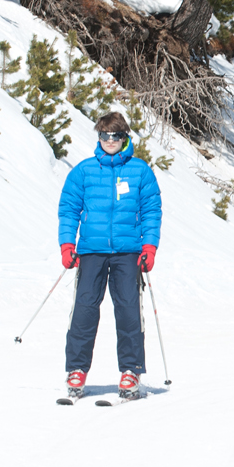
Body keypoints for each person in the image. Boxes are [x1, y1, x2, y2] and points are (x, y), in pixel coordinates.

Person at [57, 111, 162, 400]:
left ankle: (131, 371)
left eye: (115, 135)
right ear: (98, 137)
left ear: (125, 136)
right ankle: (76, 369)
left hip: (128, 253)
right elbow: (68, 210)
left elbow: (152, 212)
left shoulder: (140, 171)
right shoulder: (84, 171)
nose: (110, 141)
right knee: (84, 309)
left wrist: (149, 247)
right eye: (104, 135)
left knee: (128, 310)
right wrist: (67, 245)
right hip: (91, 251)